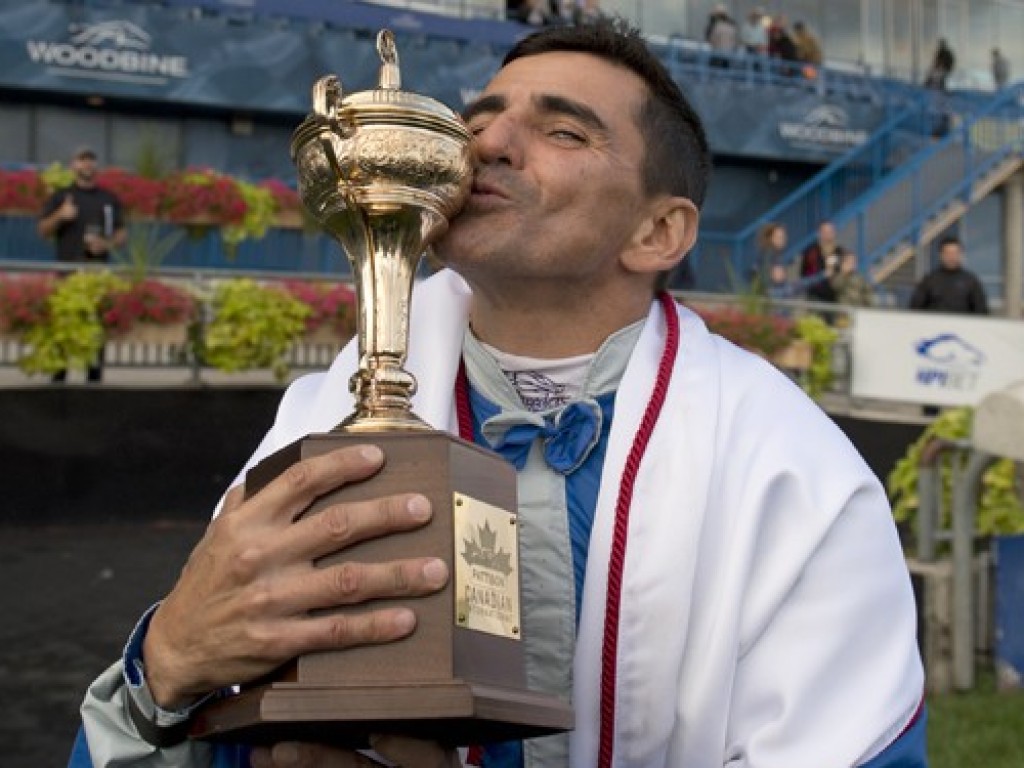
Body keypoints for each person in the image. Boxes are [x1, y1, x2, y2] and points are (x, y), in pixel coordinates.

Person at [73, 19, 926, 768]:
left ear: (658, 230)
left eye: (562, 131)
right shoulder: (321, 417)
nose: (487, 143)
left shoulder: (795, 475)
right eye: (480, 120)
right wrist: (166, 665)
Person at [37, 145, 126, 383]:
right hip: (67, 274)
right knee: (64, 327)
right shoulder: (61, 196)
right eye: (82, 159)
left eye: (91, 159)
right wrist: (61, 216)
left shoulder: (109, 199)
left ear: (95, 165)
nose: (87, 164)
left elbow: (121, 234)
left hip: (97, 274)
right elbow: (43, 230)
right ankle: (58, 379)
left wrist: (106, 245)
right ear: (73, 165)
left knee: (96, 330)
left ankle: (94, 381)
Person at [910, 235, 989, 314]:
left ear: (961, 255)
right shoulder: (929, 281)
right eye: (948, 253)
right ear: (941, 255)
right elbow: (915, 308)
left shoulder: (971, 281)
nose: (951, 257)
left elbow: (981, 310)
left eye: (955, 253)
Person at [798, 220, 844, 303]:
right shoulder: (810, 252)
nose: (828, 234)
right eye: (825, 231)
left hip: (836, 299)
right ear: (819, 233)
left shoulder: (840, 252)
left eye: (830, 231)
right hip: (815, 299)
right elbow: (804, 276)